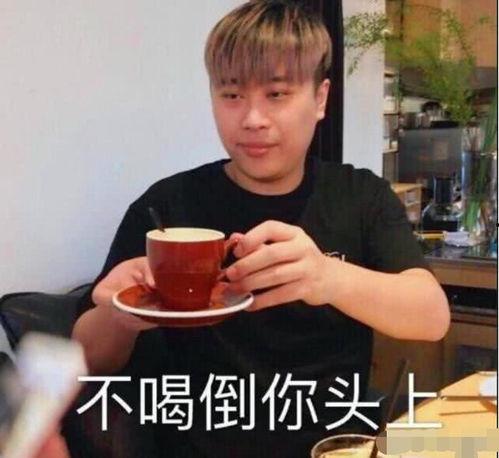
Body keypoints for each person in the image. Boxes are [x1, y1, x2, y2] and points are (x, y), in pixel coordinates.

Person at [69, 1, 450, 456]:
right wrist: (120, 316)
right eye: (231, 95)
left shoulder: (359, 196)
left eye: (276, 94)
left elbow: (431, 316)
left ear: (320, 99)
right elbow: (86, 362)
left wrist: (326, 277)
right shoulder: (166, 208)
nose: (252, 119)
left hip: (332, 447)